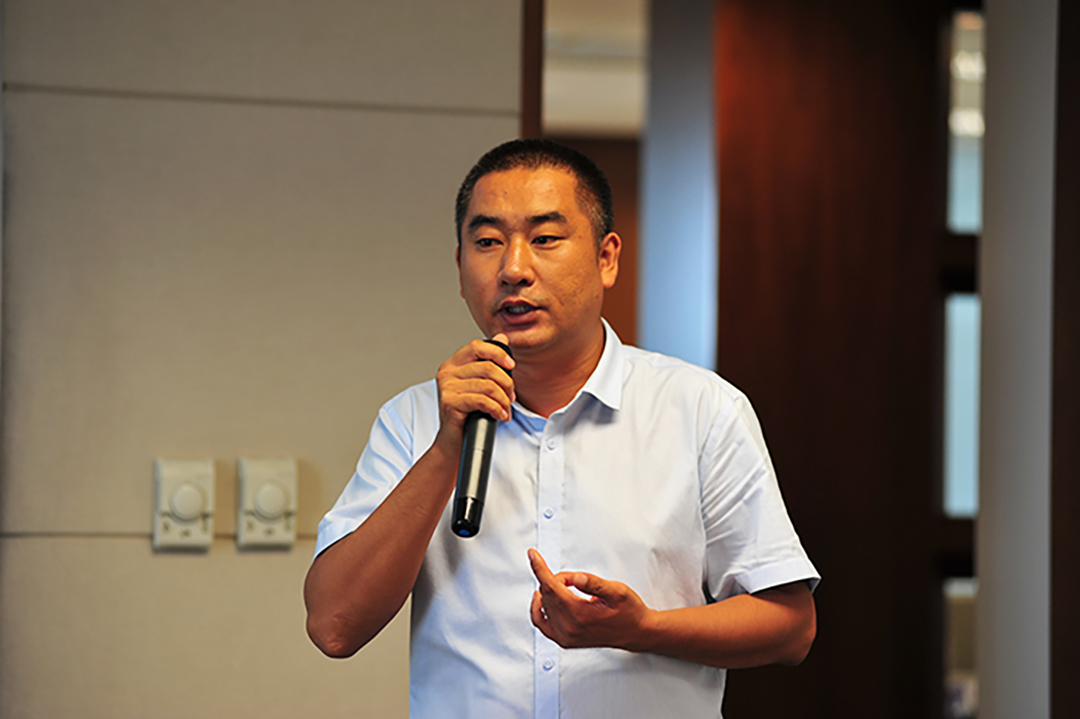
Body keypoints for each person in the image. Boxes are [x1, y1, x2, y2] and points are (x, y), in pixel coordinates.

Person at [304, 139, 819, 718]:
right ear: (460, 268)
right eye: (487, 242)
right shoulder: (413, 420)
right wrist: (447, 446)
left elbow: (790, 627)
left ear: (606, 258)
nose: (513, 269)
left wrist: (644, 629)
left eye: (545, 238)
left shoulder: (700, 408)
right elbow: (334, 626)